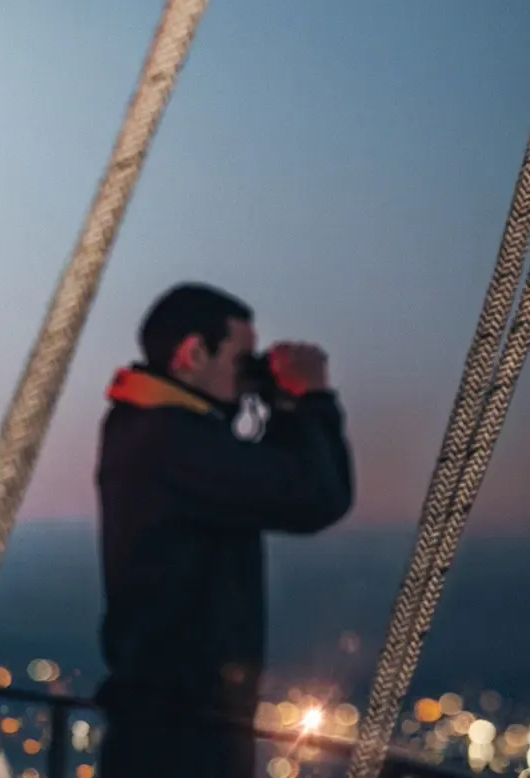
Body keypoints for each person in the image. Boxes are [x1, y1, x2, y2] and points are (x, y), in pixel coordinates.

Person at [93, 282, 353, 778]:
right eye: (242, 359)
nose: (248, 375)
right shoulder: (166, 439)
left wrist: (274, 401)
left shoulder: (150, 429)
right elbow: (317, 495)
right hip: (180, 743)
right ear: (193, 353)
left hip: (166, 729)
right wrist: (312, 398)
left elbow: (269, 471)